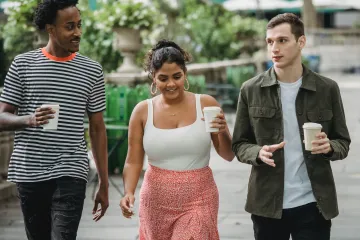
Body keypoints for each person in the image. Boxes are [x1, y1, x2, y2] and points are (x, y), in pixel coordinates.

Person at [232, 13, 351, 240]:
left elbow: (343, 142)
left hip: (313, 203)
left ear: (301, 42)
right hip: (267, 204)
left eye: (282, 40)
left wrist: (329, 147)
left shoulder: (327, 89)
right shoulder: (250, 89)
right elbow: (239, 144)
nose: (274, 48)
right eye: (270, 42)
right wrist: (258, 152)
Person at [0, 0, 109, 239]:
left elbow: (98, 128)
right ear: (51, 29)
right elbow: (2, 116)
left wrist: (104, 181)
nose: (78, 32)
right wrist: (28, 119)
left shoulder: (91, 70)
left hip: (71, 169)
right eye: (70, 27)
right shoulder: (23, 64)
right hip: (29, 171)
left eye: (80, 25)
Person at [119, 39, 235, 239]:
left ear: (185, 74)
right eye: (163, 78)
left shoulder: (206, 104)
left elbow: (228, 155)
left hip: (199, 198)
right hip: (155, 200)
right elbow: (133, 160)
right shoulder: (142, 111)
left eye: (177, 76)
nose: (171, 84)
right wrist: (128, 192)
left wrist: (223, 131)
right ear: (153, 78)